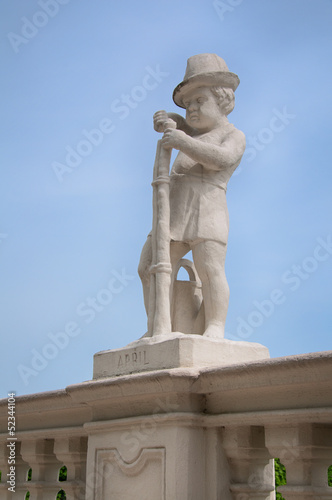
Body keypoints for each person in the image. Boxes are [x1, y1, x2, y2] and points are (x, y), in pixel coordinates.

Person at [138, 54, 246, 339]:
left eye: (199, 101)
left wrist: (181, 138)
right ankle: (160, 326)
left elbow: (219, 160)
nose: (192, 109)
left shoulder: (233, 135)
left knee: (209, 270)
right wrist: (171, 120)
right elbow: (184, 130)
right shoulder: (193, 133)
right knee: (149, 266)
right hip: (173, 211)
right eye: (187, 105)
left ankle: (215, 327)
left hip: (207, 210)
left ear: (222, 100)